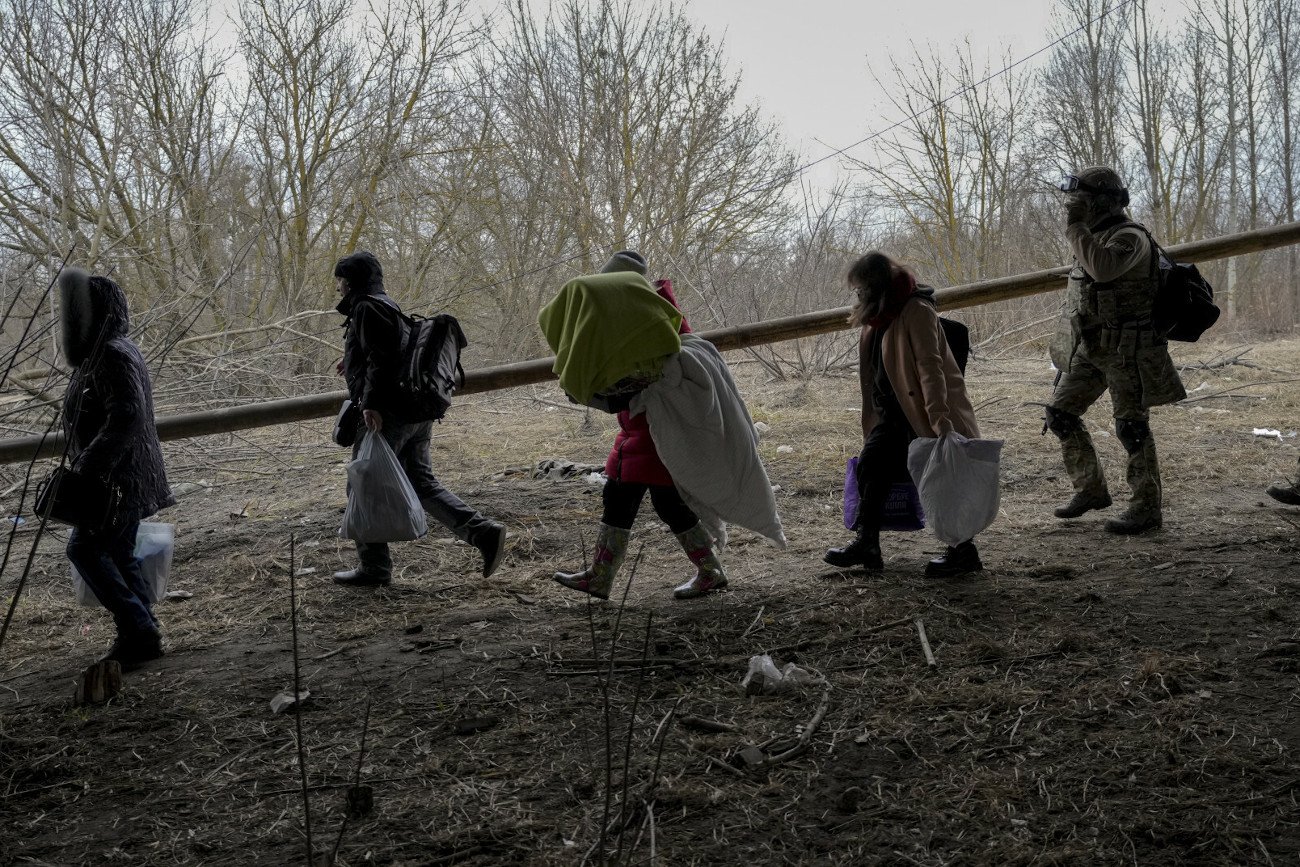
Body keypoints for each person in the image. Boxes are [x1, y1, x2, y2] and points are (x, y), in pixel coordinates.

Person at [542, 251, 728, 600]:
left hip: (657, 429)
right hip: (639, 430)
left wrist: (590, 394)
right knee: (632, 498)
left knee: (655, 501)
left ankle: (707, 570)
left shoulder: (655, 317)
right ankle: (607, 575)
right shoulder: (636, 315)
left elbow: (658, 378)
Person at [331, 251, 505, 586]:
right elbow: (387, 351)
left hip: (387, 414)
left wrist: (370, 404)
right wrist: (351, 359)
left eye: (339, 280)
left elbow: (381, 360)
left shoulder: (365, 307)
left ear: (350, 281)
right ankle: (483, 533)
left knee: (362, 482)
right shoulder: (386, 303)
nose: (337, 287)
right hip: (415, 412)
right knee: (421, 482)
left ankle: (374, 568)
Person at [1045, 167, 1185, 534]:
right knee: (1060, 414)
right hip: (1090, 348)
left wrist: (1076, 228)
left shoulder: (1129, 237)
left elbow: (1104, 269)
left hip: (1128, 350)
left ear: (1100, 202)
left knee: (1132, 427)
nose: (1073, 209)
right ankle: (1091, 490)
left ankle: (1146, 509)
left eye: (1081, 203)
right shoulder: (1097, 235)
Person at [823, 252, 982, 577]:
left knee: (939, 480)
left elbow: (930, 369)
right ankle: (867, 545)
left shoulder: (916, 310)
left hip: (921, 414)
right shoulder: (878, 316)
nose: (858, 295)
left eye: (862, 288)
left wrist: (939, 420)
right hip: (892, 415)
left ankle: (963, 552)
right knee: (871, 467)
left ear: (876, 286)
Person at [58, 267, 175, 668]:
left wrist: (87, 467)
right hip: (120, 476)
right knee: (120, 552)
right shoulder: (109, 350)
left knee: (84, 549)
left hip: (117, 478)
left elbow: (126, 415)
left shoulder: (110, 353)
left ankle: (139, 628)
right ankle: (141, 635)